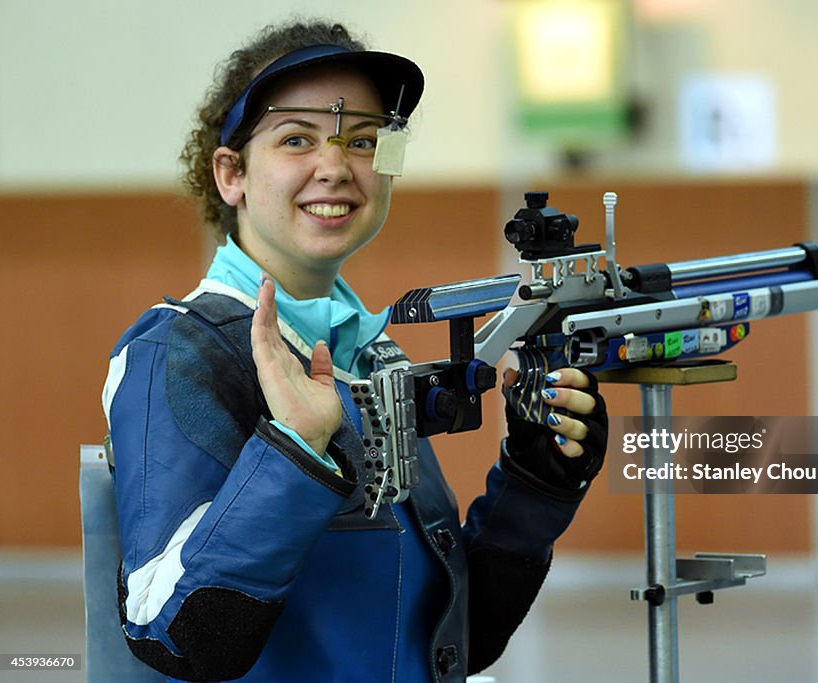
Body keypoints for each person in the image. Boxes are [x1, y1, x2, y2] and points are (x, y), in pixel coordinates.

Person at [101, 18, 608, 683]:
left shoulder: (368, 353)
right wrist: (296, 453)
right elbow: (175, 634)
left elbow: (452, 637)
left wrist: (535, 481)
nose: (337, 166)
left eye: (364, 140)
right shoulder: (178, 351)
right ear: (231, 174)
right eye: (296, 139)